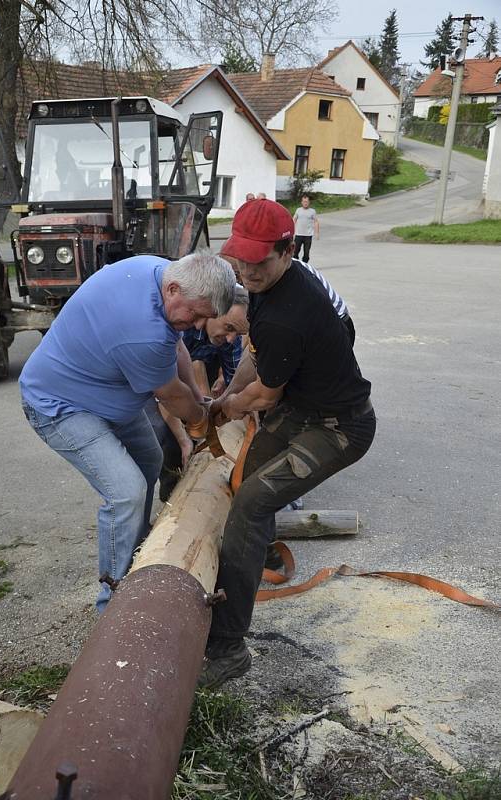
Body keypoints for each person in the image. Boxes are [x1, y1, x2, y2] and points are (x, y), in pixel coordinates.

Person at [199, 200, 376, 688]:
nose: (249, 270)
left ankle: (228, 646)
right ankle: (262, 556)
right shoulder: (272, 287)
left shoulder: (289, 313)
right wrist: (228, 392)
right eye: (242, 258)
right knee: (246, 477)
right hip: (303, 409)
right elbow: (256, 360)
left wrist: (226, 408)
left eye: (261, 260)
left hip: (340, 427)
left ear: (288, 249)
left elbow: (263, 393)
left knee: (253, 501)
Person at [19, 251, 236, 612]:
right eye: (196, 314)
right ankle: (114, 600)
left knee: (150, 461)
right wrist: (201, 418)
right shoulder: (143, 330)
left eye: (206, 318)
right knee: (126, 492)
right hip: (60, 406)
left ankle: (137, 551)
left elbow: (177, 347)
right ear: (173, 289)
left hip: (103, 394)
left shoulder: (154, 270)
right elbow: (171, 395)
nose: (199, 325)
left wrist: (201, 397)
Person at [152, 285, 250, 501]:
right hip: (153, 380)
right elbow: (164, 394)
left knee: (200, 403)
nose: (231, 338)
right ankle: (170, 497)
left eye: (238, 333)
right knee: (164, 436)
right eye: (229, 327)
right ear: (213, 310)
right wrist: (184, 440)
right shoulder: (179, 325)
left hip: (190, 366)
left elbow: (236, 386)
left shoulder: (228, 337)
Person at [293, 194, 319, 263]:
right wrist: (291, 232)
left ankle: (305, 265)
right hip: (298, 235)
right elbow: (294, 220)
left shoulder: (312, 211)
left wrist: (317, 233)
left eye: (306, 202)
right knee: (295, 253)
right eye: (304, 201)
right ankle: (296, 265)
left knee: (306, 254)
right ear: (301, 202)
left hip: (308, 236)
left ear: (309, 202)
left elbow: (316, 222)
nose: (305, 203)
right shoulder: (298, 210)